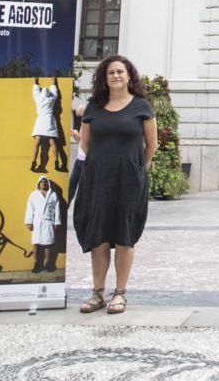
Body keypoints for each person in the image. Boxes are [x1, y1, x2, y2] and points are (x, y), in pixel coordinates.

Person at [73, 55, 157, 315]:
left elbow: (152, 145)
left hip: (129, 180)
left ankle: (120, 293)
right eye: (111, 72)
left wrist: (137, 167)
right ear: (104, 78)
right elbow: (85, 143)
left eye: (120, 71)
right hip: (97, 178)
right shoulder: (94, 107)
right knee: (98, 236)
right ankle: (98, 292)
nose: (116, 76)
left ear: (129, 76)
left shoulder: (142, 107)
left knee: (124, 236)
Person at [25, 175, 60, 273]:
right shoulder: (33, 195)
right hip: (37, 223)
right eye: (41, 182)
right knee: (36, 244)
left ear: (47, 183)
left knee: (48, 244)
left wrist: (57, 222)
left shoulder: (53, 194)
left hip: (48, 222)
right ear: (38, 183)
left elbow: (57, 210)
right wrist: (29, 222)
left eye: (45, 182)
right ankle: (37, 264)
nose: (43, 183)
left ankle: (48, 264)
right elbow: (29, 209)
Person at [31, 77, 60, 173]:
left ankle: (33, 161)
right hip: (49, 120)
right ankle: (56, 161)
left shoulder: (39, 98)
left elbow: (35, 91)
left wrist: (35, 81)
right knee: (52, 142)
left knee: (37, 143)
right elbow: (55, 93)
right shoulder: (51, 99)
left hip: (40, 120)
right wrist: (54, 81)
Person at [68, 103, 87, 203]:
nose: (80, 118)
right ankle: (66, 204)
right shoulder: (83, 123)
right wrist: (75, 134)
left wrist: (76, 134)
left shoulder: (89, 123)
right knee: (72, 183)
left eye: (80, 116)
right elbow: (80, 141)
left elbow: (86, 141)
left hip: (86, 160)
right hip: (79, 158)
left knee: (82, 186)